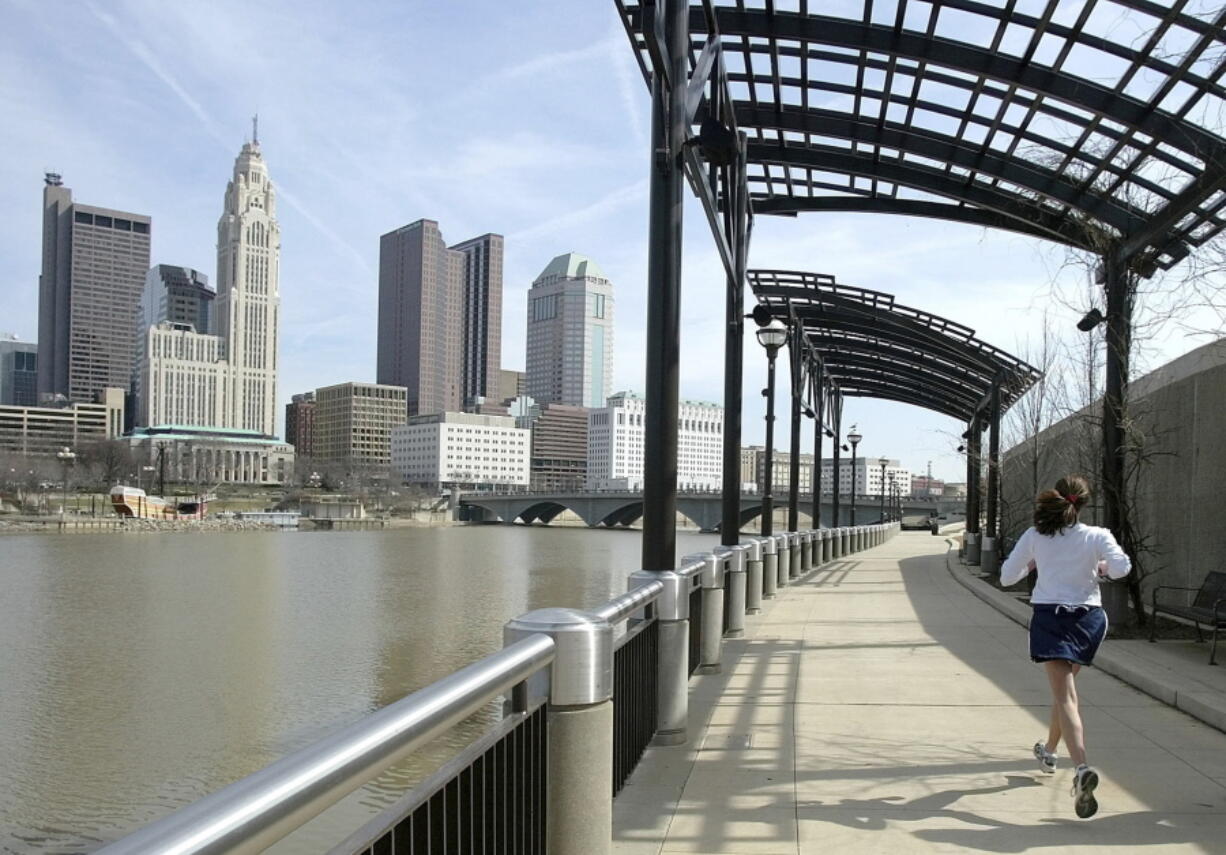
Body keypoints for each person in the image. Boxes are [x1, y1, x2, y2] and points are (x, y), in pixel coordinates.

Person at [1000, 475, 1131, 819]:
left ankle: (1082, 768)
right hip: (1089, 621)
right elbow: (1121, 568)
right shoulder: (1096, 535)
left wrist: (1032, 562)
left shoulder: (1036, 537)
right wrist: (1099, 569)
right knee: (1065, 692)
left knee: (1066, 697)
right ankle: (1049, 750)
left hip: (1051, 619)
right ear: (1083, 502)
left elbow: (1005, 577)